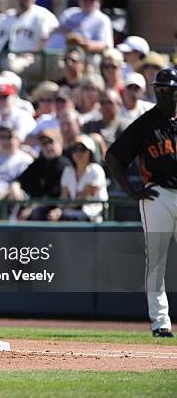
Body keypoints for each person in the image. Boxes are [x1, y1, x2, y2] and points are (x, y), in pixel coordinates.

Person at [105, 68, 177, 338]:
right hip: (157, 196)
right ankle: (161, 323)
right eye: (158, 89)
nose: (162, 93)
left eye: (167, 89)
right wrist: (132, 192)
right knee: (157, 260)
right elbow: (113, 157)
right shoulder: (147, 123)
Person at [10, 128, 71, 220]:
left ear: (60, 143)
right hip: (34, 206)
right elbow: (20, 179)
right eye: (44, 144)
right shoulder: (39, 164)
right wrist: (15, 186)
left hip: (53, 210)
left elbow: (56, 195)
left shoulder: (66, 166)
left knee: (34, 214)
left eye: (51, 142)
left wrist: (32, 208)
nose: (48, 147)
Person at [48, 134, 107, 222]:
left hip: (92, 216)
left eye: (82, 149)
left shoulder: (96, 170)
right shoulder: (68, 171)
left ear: (90, 152)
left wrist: (60, 212)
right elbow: (64, 197)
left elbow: (82, 199)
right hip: (70, 214)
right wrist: (57, 210)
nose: (78, 153)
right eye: (75, 149)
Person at [0, 78, 36, 151]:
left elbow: (25, 142)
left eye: (5, 97)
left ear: (13, 97)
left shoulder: (24, 117)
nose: (1, 101)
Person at [45, 0, 113, 54]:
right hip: (58, 54)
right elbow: (54, 32)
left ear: (99, 0)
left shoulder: (103, 19)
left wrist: (84, 43)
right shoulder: (69, 13)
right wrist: (65, 33)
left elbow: (106, 45)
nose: (87, 2)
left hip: (85, 58)